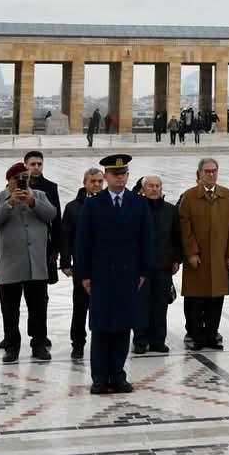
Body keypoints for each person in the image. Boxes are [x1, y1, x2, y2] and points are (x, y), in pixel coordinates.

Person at [75, 155, 153, 394]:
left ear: (128, 176)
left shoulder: (138, 203)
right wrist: (84, 274)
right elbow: (83, 241)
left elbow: (146, 240)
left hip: (128, 273)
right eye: (115, 174)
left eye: (123, 174)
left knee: (122, 325)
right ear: (106, 176)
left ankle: (118, 375)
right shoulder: (93, 204)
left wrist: (143, 271)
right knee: (101, 326)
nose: (120, 178)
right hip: (100, 274)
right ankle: (100, 378)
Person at [0, 162, 57, 363]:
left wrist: (33, 202)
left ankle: (39, 343)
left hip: (35, 262)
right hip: (9, 262)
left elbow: (51, 214)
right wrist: (10, 204)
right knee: (10, 309)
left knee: (38, 307)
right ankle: (11, 345)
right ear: (9, 180)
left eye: (25, 177)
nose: (22, 181)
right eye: (17, 178)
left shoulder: (39, 195)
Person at [178, 158, 229, 350]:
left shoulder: (227, 195)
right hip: (198, 257)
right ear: (200, 173)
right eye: (207, 171)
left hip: (219, 256)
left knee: (216, 297)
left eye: (213, 171)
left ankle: (212, 335)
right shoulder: (189, 196)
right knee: (195, 298)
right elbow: (184, 226)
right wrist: (191, 252)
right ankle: (196, 336)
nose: (211, 174)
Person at [134, 175, 182, 354]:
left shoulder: (170, 210)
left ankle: (158, 340)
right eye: (151, 186)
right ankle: (140, 340)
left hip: (163, 265)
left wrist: (177, 259)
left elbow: (177, 236)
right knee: (140, 305)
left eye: (157, 186)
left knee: (160, 305)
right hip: (140, 267)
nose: (154, 189)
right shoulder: (136, 208)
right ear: (143, 189)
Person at [60, 168, 104, 360]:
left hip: (105, 264)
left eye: (99, 181)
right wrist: (65, 261)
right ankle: (78, 343)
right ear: (85, 183)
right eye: (93, 181)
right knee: (80, 306)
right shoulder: (73, 207)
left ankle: (103, 341)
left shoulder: (110, 203)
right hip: (83, 264)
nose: (96, 185)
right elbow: (66, 236)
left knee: (103, 306)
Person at [24, 151, 61, 287]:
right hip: (22, 242)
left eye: (39, 164)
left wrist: (56, 247)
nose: (36, 167)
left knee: (40, 287)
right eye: (32, 164)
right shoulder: (16, 185)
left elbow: (56, 218)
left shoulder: (51, 187)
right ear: (25, 165)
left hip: (43, 242)